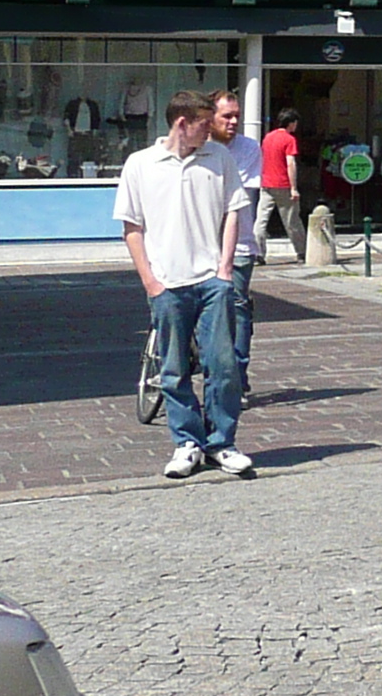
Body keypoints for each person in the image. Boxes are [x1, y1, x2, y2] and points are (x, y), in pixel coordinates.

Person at [114, 89, 251, 479]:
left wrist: (225, 269)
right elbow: (132, 227)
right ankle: (187, 442)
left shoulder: (218, 158)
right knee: (173, 369)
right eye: (205, 124)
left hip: (211, 280)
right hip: (168, 283)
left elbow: (232, 212)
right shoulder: (141, 164)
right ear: (182, 123)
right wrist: (150, 281)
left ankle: (222, 442)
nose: (212, 130)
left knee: (223, 366)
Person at [209, 92, 265, 378]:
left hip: (240, 244)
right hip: (200, 244)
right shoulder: (198, 146)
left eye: (236, 117)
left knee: (238, 310)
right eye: (226, 116)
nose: (233, 122)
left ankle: (237, 377)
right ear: (210, 117)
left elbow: (240, 195)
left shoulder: (248, 148)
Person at [260, 107, 303, 259]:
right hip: (283, 184)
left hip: (266, 183)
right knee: (292, 222)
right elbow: (290, 163)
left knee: (260, 221)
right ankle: (301, 252)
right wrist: (294, 188)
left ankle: (259, 253)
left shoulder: (267, 137)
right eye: (295, 123)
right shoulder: (289, 140)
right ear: (291, 123)